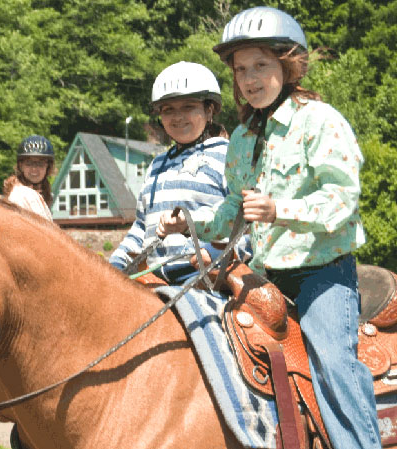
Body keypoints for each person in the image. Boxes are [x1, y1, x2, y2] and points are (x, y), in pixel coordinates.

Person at [157, 7, 380, 448]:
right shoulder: (241, 138)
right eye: (241, 70)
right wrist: (190, 222)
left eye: (261, 65)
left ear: (288, 63)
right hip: (264, 276)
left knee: (333, 362)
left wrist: (280, 209)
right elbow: (232, 213)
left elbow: (343, 201)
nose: (250, 78)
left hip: (322, 274)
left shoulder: (320, 121)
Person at [110, 61, 238, 284]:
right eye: (168, 109)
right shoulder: (157, 164)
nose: (177, 117)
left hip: (205, 275)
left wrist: (219, 251)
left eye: (188, 106)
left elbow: (248, 221)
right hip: (153, 277)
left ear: (209, 110)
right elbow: (141, 227)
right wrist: (114, 266)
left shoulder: (229, 155)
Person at [3, 135, 55, 221]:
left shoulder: (43, 194)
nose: (34, 169)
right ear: (21, 165)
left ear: (48, 166)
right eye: (29, 163)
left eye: (40, 164)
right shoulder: (22, 195)